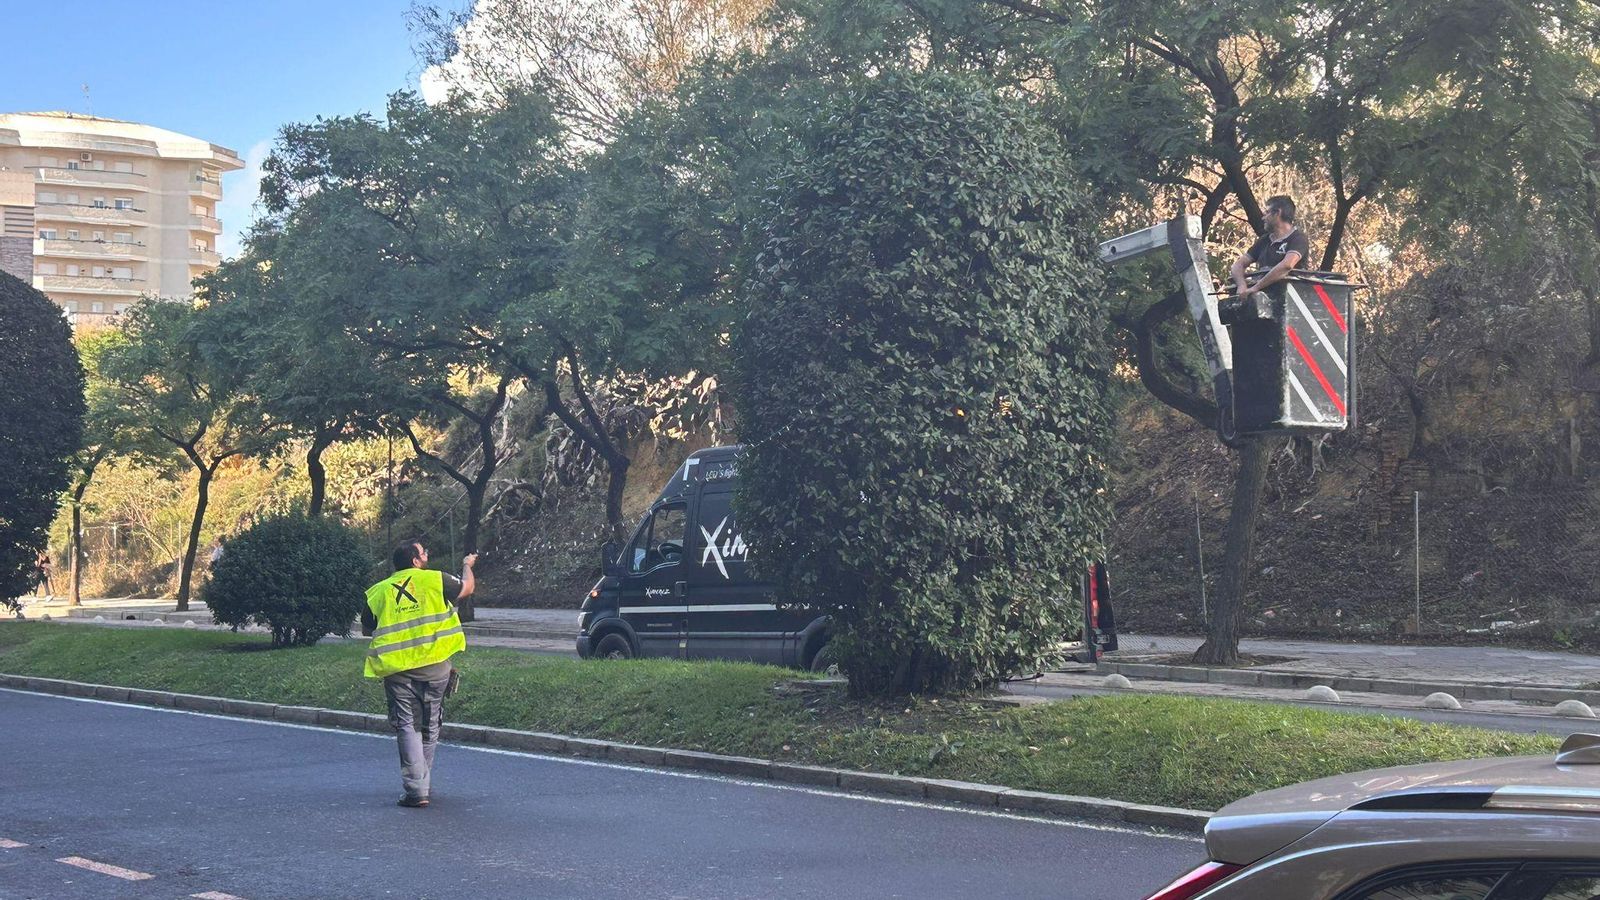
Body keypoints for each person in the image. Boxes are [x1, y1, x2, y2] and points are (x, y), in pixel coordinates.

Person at [361, 540, 476, 808]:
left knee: (407, 726)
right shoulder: (436, 580)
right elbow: (467, 588)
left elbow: (368, 628)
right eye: (424, 552)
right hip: (436, 667)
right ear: (415, 560)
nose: (427, 555)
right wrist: (467, 566)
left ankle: (417, 789)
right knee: (430, 724)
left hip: (398, 669)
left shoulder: (378, 592)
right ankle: (423, 782)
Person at [1231, 194, 1311, 298]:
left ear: (1278, 213)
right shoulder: (1264, 241)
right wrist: (1242, 285)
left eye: (1267, 213)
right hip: (1264, 301)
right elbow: (1238, 265)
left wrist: (1256, 287)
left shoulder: (1298, 238)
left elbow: (1287, 265)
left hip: (1290, 300)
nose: (1263, 218)